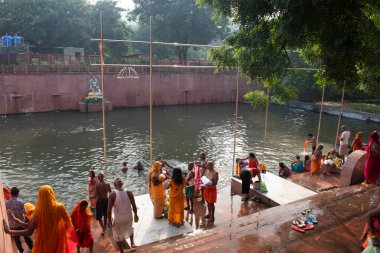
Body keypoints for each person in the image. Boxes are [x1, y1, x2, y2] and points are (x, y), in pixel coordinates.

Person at [3, 185, 77, 253]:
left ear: (40, 197)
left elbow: (29, 229)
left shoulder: (38, 212)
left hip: (43, 244)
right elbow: (68, 223)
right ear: (52, 194)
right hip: (57, 242)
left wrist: (10, 231)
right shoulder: (60, 208)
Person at [108, 177, 139, 252]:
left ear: (115, 185)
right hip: (129, 216)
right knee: (130, 228)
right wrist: (135, 215)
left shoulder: (112, 194)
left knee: (117, 235)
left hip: (119, 218)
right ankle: (132, 243)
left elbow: (108, 210)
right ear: (122, 184)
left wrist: (109, 221)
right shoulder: (129, 192)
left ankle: (122, 251)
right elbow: (134, 206)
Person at [5, 187, 33, 253]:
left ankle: (21, 250)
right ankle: (31, 247)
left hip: (12, 224)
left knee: (16, 238)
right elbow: (24, 212)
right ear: (17, 193)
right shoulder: (20, 202)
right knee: (26, 235)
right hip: (21, 222)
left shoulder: (6, 203)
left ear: (11, 193)